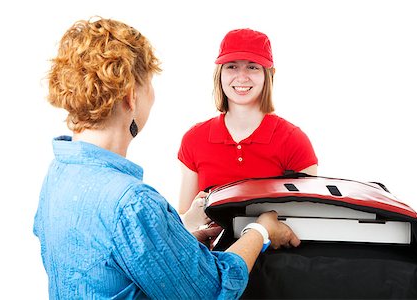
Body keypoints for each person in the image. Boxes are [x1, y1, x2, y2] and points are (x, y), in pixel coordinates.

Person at [33, 17, 300, 299]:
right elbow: (212, 290)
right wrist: (260, 231)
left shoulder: (58, 173)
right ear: (130, 97)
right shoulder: (134, 203)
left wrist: (176, 238)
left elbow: (110, 258)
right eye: (148, 83)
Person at [178, 28, 318, 231]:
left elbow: (311, 218)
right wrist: (191, 220)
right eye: (232, 67)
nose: (241, 77)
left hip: (276, 258)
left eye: (252, 67)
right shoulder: (194, 139)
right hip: (212, 257)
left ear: (268, 75)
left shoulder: (293, 140)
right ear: (220, 74)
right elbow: (187, 218)